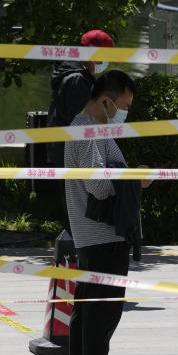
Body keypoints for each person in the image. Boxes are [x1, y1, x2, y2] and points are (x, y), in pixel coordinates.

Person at [64, 70, 137, 355]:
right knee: (103, 313)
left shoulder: (85, 128)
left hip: (90, 235)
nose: (123, 114)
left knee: (87, 311)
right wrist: (132, 182)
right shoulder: (87, 131)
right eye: (123, 106)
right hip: (101, 234)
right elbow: (96, 184)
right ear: (106, 101)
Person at [47, 29, 115, 232]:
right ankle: (77, 256)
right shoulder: (77, 80)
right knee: (78, 214)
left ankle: (75, 253)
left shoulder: (75, 75)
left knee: (74, 212)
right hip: (73, 156)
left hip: (65, 152)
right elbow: (83, 124)